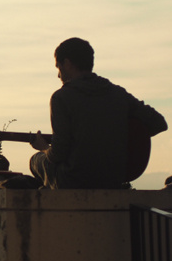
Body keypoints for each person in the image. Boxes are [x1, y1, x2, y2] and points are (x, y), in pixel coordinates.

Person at [30, 37, 167, 189]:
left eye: (58, 67)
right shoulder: (118, 94)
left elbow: (58, 153)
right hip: (114, 178)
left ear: (67, 63)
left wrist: (43, 147)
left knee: (36, 160)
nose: (58, 75)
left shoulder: (61, 98)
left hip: (73, 179)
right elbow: (159, 123)